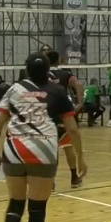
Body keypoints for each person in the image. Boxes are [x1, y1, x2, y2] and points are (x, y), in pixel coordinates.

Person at [0, 52, 85, 222]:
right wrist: (81, 158)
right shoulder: (58, 91)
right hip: (43, 153)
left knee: (16, 203)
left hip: (14, 151)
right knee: (37, 208)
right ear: (48, 70)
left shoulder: (14, 89)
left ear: (26, 69)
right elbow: (72, 129)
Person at [46, 51, 85, 188]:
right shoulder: (65, 74)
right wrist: (79, 103)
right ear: (59, 61)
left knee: (52, 151)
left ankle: (51, 182)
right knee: (68, 147)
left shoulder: (42, 74)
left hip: (48, 116)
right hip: (64, 115)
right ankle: (74, 178)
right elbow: (79, 85)